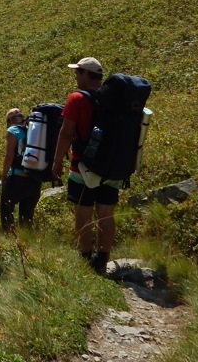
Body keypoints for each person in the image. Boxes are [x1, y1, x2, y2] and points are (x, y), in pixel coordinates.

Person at [51, 56, 119, 274]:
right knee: (106, 213)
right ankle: (102, 259)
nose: (76, 76)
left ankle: (85, 258)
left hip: (82, 167)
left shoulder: (77, 98)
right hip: (112, 166)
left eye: (78, 72)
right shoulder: (115, 98)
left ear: (87, 75)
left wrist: (56, 162)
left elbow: (67, 133)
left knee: (83, 213)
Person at [0, 107, 42, 231]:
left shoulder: (13, 130)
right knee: (27, 218)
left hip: (17, 179)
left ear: (8, 121)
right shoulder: (33, 131)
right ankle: (27, 241)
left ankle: (9, 238)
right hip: (35, 179)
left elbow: (9, 157)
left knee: (6, 211)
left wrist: (3, 175)